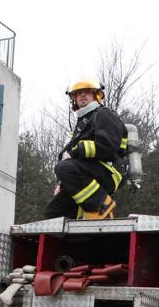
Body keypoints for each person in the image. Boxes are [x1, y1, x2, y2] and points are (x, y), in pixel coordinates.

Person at [43, 79, 128, 220]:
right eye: (78, 93)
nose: (82, 95)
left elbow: (107, 146)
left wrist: (75, 152)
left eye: (87, 92)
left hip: (108, 171)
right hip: (87, 174)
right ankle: (77, 237)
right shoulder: (82, 123)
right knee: (53, 212)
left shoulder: (104, 114)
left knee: (63, 167)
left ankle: (102, 205)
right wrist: (61, 183)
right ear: (74, 99)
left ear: (97, 95)